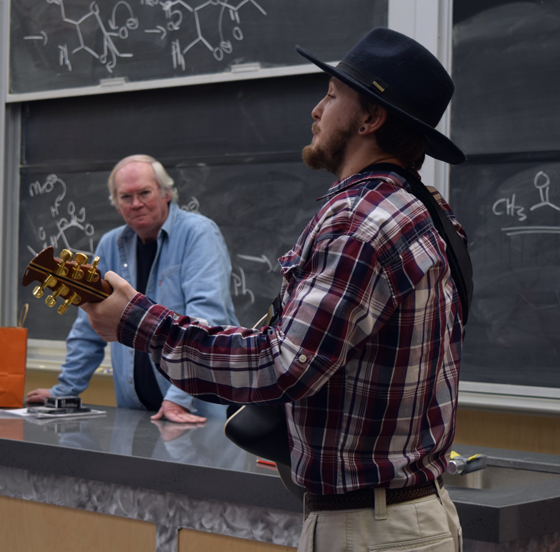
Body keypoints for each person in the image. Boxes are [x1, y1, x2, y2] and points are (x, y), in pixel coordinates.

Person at [82, 29, 468, 550]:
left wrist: (136, 321)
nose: (316, 109)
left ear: (370, 119)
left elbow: (280, 365)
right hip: (407, 513)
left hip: (372, 529)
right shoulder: (426, 210)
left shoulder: (360, 222)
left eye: (332, 95)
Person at [27, 155, 239, 423]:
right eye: (126, 197)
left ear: (166, 193)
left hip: (197, 411)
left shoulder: (198, 234)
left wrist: (177, 399)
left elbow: (207, 318)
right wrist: (64, 392)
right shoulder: (109, 244)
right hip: (135, 414)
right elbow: (87, 327)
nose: (137, 203)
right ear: (116, 205)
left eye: (144, 193)